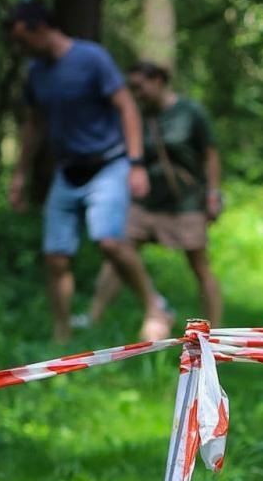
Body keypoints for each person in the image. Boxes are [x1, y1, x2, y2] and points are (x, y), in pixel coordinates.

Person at [4, 0, 171, 344]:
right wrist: (20, 174)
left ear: (41, 28)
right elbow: (34, 125)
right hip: (68, 172)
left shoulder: (91, 58)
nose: (20, 49)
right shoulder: (36, 73)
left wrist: (136, 162)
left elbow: (126, 107)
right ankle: (61, 334)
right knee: (55, 257)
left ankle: (154, 306)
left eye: (23, 40)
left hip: (108, 164)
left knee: (109, 240)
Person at [86, 61, 225, 333]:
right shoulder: (137, 116)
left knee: (199, 266)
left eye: (140, 86)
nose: (136, 93)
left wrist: (213, 193)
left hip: (185, 203)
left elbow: (210, 153)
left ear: (159, 81)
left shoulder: (189, 112)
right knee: (117, 252)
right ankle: (93, 318)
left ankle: (216, 332)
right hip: (145, 203)